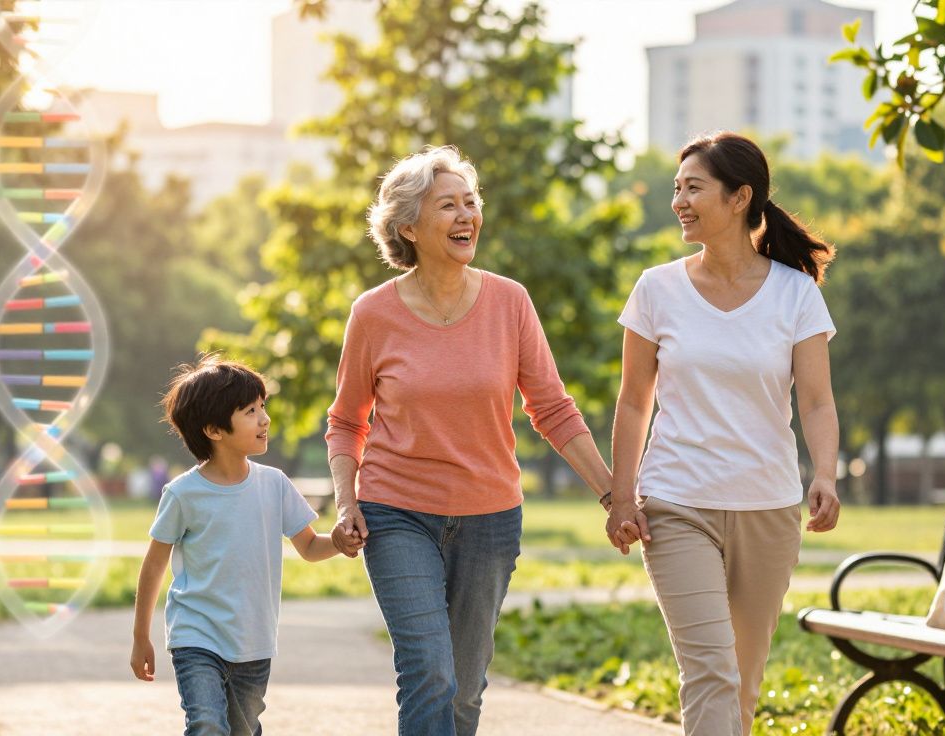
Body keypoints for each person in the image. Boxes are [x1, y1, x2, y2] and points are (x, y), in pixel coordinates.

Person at [326, 145, 631, 735]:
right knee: (430, 674)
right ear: (409, 226)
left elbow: (553, 409)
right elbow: (346, 422)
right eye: (449, 205)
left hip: (489, 519)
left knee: (463, 692)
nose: (467, 215)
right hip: (397, 513)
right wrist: (347, 502)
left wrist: (613, 496)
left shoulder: (509, 302)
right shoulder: (373, 314)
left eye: (471, 203)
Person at [605, 131, 841, 736]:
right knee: (710, 671)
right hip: (677, 501)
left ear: (740, 198)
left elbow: (815, 401)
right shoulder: (656, 290)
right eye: (676, 189)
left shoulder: (794, 293)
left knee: (743, 678)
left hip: (768, 505)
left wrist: (826, 473)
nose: (679, 201)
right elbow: (634, 403)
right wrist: (623, 495)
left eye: (693, 188)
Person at [130, 355, 342, 736]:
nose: (265, 419)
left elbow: (309, 547)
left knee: (243, 730)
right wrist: (140, 636)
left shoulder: (275, 484)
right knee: (208, 724)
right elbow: (154, 565)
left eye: (263, 407)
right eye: (250, 411)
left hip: (254, 640)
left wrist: (340, 542)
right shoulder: (183, 494)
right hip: (196, 636)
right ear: (214, 429)